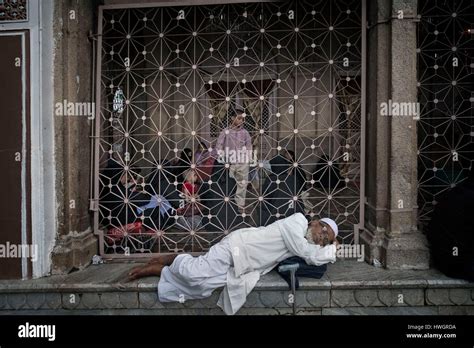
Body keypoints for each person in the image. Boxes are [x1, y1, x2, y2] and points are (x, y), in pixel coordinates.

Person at [128, 212, 338, 315]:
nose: (322, 238)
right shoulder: (298, 221)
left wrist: (330, 245)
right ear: (315, 222)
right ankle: (173, 258)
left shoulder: (304, 242)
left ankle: (162, 271)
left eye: (326, 240)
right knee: (195, 273)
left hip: (244, 265)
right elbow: (309, 254)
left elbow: (315, 255)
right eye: (324, 231)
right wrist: (334, 247)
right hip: (237, 246)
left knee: (203, 287)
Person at [215, 110, 252, 214]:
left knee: (242, 184)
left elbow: (249, 146)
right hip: (229, 162)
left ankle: (240, 205)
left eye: (243, 119)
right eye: (239, 118)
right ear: (232, 118)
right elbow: (218, 146)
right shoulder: (225, 131)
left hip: (242, 162)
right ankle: (230, 205)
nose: (241, 121)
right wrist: (223, 159)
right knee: (229, 183)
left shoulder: (245, 132)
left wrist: (247, 159)